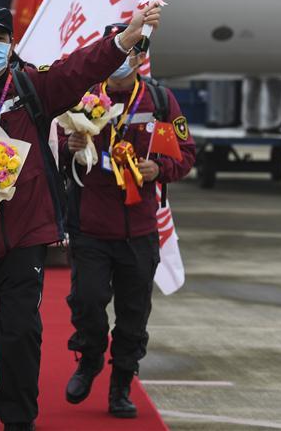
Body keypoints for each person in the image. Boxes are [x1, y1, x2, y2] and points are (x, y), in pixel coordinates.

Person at [0, 3, 160, 431]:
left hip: (26, 238)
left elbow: (81, 68)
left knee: (20, 333)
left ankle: (20, 418)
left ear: (12, 44)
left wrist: (127, 37)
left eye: (0, 38)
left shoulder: (31, 88)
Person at [60, 35, 196, 418]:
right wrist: (68, 144)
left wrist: (160, 168)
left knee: (134, 313)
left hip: (139, 227)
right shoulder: (84, 98)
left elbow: (186, 152)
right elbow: (52, 141)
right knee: (87, 301)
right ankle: (88, 359)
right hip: (90, 224)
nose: (124, 58)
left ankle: (121, 383)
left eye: (133, 52)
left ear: (141, 58)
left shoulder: (160, 102)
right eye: (119, 50)